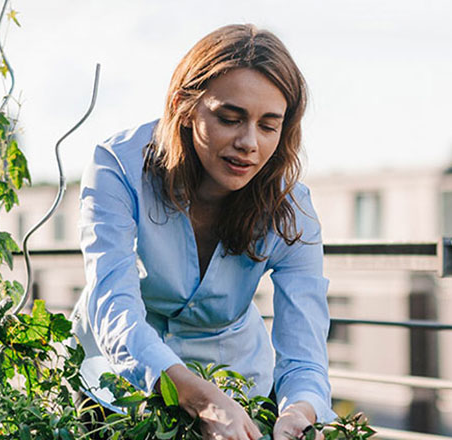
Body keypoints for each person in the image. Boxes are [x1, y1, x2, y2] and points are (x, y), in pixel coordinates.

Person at [71, 24, 336, 440]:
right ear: (184, 105)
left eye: (269, 126)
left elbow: (304, 356)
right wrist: (202, 399)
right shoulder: (117, 167)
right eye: (230, 119)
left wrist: (298, 411)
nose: (249, 143)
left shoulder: (292, 207)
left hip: (238, 388)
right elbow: (114, 311)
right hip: (116, 385)